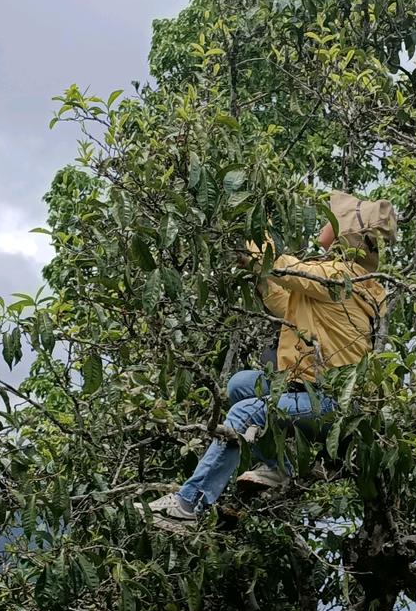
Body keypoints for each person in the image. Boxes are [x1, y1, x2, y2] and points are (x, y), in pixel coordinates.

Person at [145, 190, 397, 530]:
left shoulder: (342, 276)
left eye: (330, 218)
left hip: (335, 403)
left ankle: (190, 505)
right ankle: (274, 466)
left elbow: (286, 268)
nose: (323, 221)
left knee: (245, 412)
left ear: (346, 231)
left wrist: (254, 234)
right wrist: (260, 274)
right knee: (241, 385)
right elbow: (286, 304)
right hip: (308, 389)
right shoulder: (334, 277)